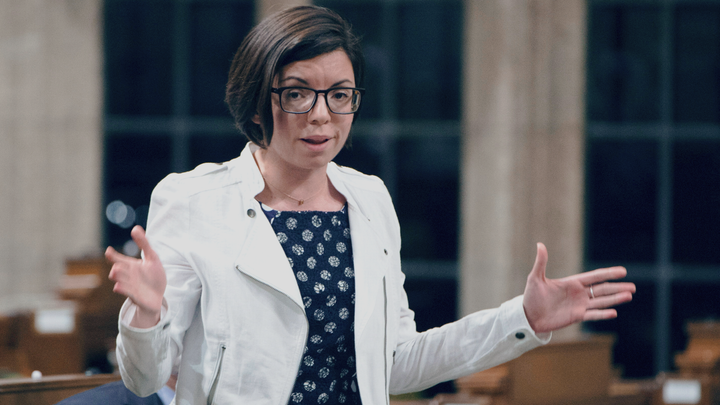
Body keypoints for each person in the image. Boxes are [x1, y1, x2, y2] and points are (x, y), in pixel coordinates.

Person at [105, 5, 636, 405]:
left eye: (340, 95)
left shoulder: (369, 200)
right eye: (297, 93)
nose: (321, 116)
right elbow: (147, 378)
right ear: (258, 100)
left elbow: (395, 363)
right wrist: (147, 315)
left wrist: (521, 319)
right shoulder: (195, 201)